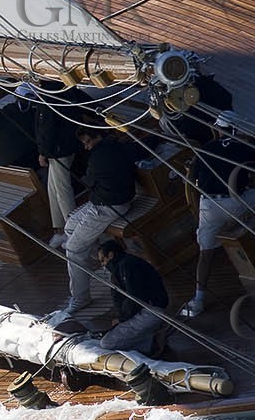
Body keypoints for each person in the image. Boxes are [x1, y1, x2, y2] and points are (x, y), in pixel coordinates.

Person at [45, 127, 137, 325]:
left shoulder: (98, 158)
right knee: (70, 226)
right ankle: (100, 260)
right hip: (101, 202)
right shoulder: (116, 146)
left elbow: (89, 181)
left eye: (88, 142)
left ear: (98, 136)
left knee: (73, 248)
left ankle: (81, 297)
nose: (86, 147)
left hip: (109, 206)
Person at [181, 111, 255, 317]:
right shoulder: (245, 148)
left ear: (217, 129)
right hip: (238, 202)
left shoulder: (205, 150)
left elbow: (193, 179)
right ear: (236, 129)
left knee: (205, 254)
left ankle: (198, 300)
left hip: (210, 207)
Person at [27, 82, 82, 247]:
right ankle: (60, 229)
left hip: (59, 150)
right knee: (53, 188)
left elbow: (47, 129)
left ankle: (73, 231)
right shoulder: (63, 92)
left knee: (62, 190)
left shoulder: (47, 100)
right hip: (64, 147)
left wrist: (44, 152)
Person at [95, 240, 169, 354]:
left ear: (110, 255)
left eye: (103, 260)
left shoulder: (128, 266)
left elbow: (135, 297)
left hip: (150, 311)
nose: (103, 265)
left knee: (107, 343)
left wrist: (122, 319)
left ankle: (153, 341)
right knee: (110, 335)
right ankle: (151, 339)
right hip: (146, 310)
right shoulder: (124, 264)